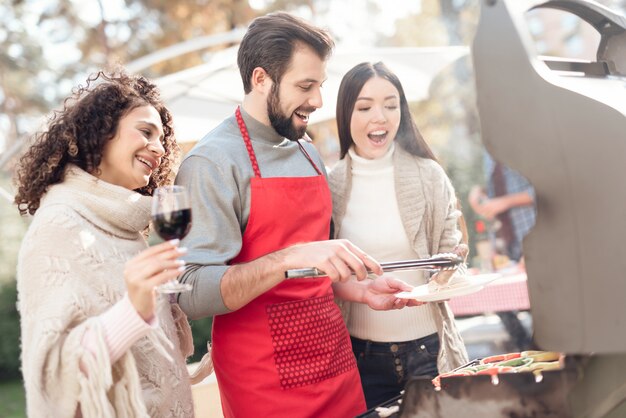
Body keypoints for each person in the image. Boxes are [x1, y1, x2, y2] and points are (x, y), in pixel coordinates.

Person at [175, 12, 416, 418]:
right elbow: (191, 291)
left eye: (319, 85)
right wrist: (289, 256)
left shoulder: (305, 149)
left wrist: (359, 290)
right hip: (263, 383)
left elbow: (311, 270)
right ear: (260, 79)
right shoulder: (212, 162)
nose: (318, 102)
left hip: (336, 366)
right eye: (305, 86)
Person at [14, 71, 194, 417]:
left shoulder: (127, 227)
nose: (159, 148)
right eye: (146, 132)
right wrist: (134, 311)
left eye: (162, 139)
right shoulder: (59, 225)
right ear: (100, 134)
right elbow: (53, 375)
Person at [328, 61, 470, 409]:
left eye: (391, 105)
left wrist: (450, 271)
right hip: (361, 358)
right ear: (346, 113)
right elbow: (324, 278)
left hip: (430, 350)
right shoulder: (328, 186)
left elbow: (451, 262)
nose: (380, 117)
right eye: (365, 107)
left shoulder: (429, 176)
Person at [468, 152, 536, 351]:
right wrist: (478, 191)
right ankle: (528, 351)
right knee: (497, 296)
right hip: (505, 241)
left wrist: (505, 202)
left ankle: (547, 355)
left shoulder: (528, 142)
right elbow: (495, 186)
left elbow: (550, 189)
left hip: (534, 232)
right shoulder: (488, 150)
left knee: (542, 302)